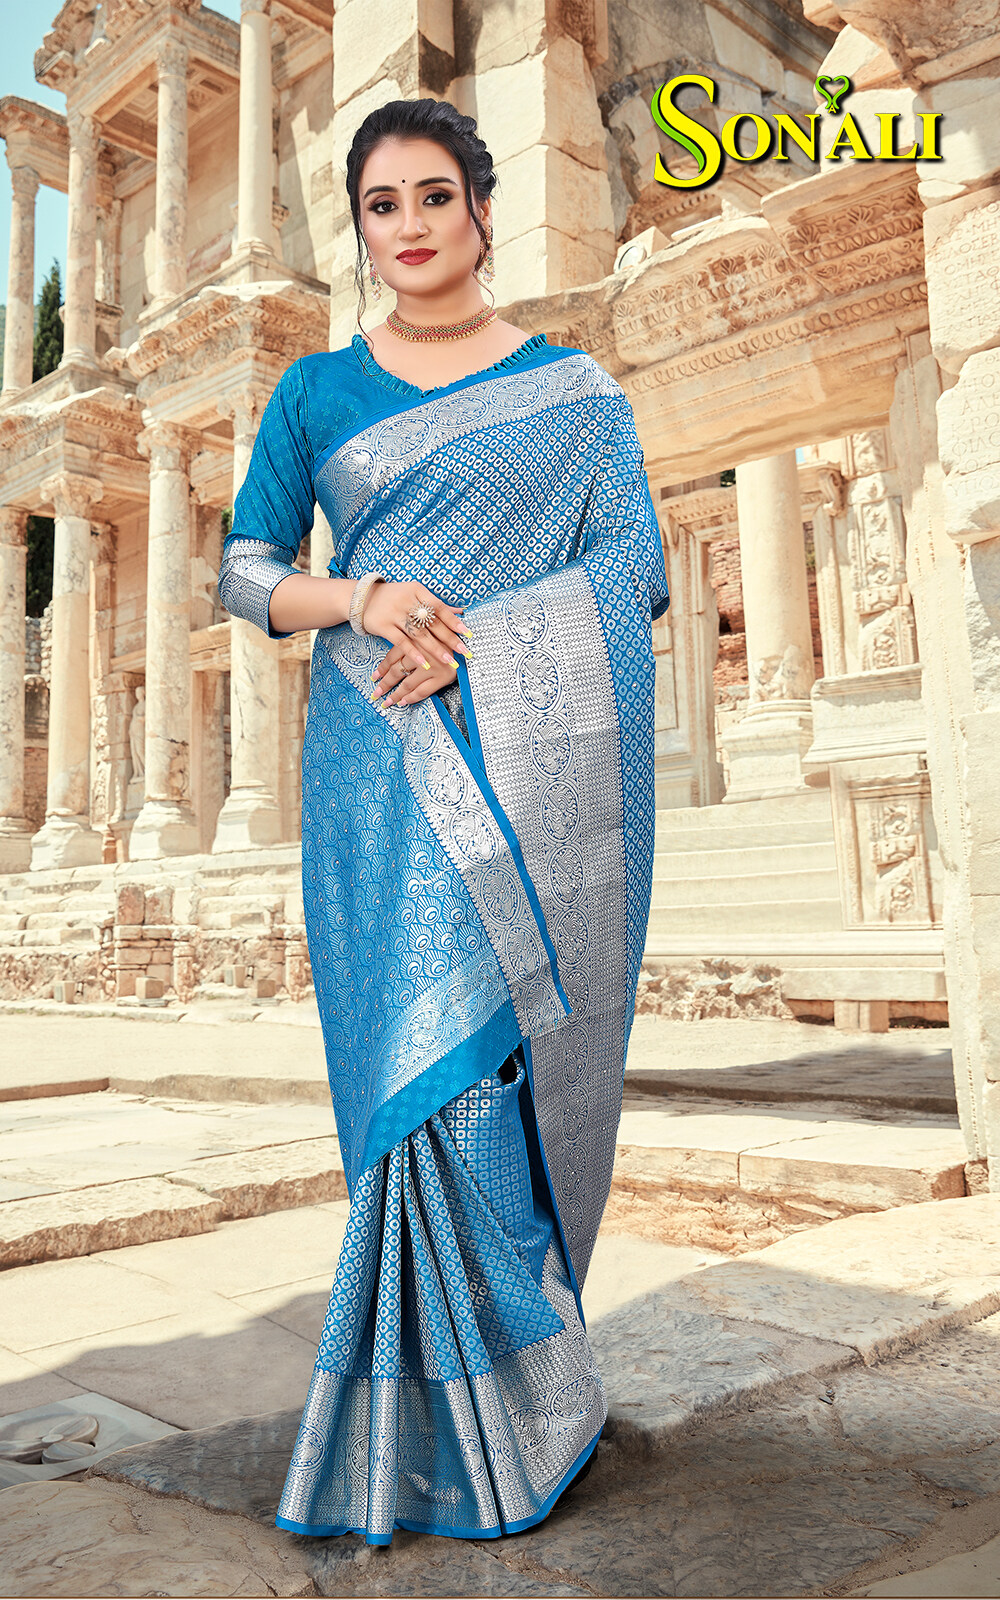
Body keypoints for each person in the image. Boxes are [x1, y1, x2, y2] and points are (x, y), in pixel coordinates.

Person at [216, 96, 669, 1546]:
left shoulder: (572, 391)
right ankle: (461, 1425)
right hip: (378, 773)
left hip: (532, 769)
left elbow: (635, 567)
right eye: (380, 204)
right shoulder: (316, 394)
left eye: (431, 196)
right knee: (425, 1091)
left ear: (481, 209)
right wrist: (363, 597)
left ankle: (528, 1413)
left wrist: (478, 640)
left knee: (497, 1082)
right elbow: (245, 571)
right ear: (360, 228)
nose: (408, 226)